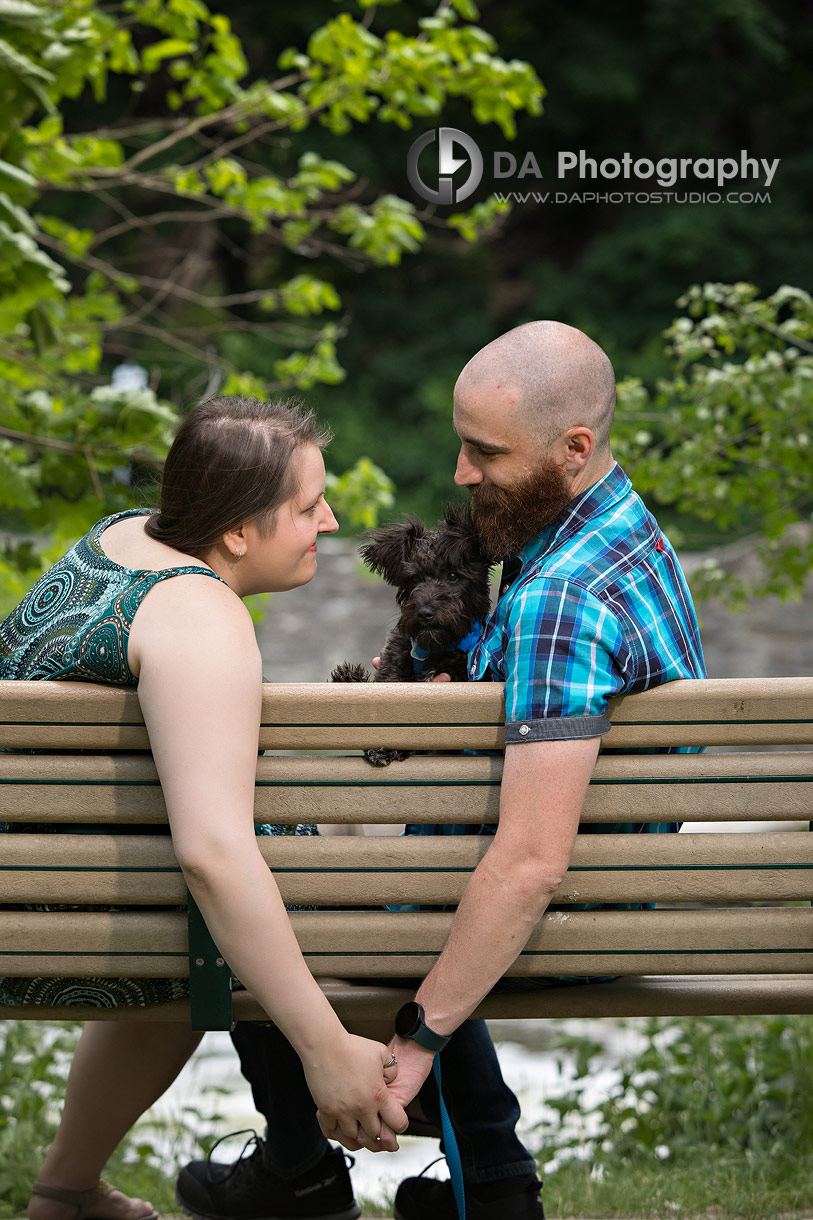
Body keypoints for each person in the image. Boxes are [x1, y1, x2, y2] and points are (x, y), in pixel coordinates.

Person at [175, 321, 707, 1220]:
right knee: (293, 879)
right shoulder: (621, 531)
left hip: (558, 916)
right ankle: (492, 1178)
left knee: (247, 896)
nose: (460, 473)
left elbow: (531, 864)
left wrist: (414, 1045)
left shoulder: (557, 601)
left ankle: (301, 1170)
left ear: (572, 449)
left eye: (483, 451)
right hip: (608, 888)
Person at [0, 396, 408, 1220]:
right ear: (235, 533)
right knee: (242, 906)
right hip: (75, 927)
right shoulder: (201, 622)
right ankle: (477, 1164)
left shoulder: (124, 536)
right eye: (305, 507)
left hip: (44, 890)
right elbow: (213, 853)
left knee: (194, 912)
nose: (328, 521)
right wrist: (324, 1046)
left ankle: (67, 1192)